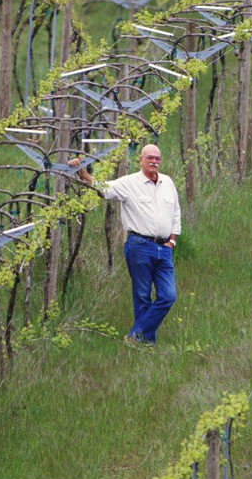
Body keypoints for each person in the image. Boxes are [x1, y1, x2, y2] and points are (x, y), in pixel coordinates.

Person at [68, 144, 180, 346]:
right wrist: (83, 174)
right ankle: (146, 343)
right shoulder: (129, 183)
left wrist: (172, 240)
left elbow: (176, 213)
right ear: (141, 159)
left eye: (157, 158)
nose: (154, 161)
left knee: (168, 296)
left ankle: (135, 336)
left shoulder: (168, 182)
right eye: (150, 158)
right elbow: (105, 189)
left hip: (163, 248)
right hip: (139, 245)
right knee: (142, 295)